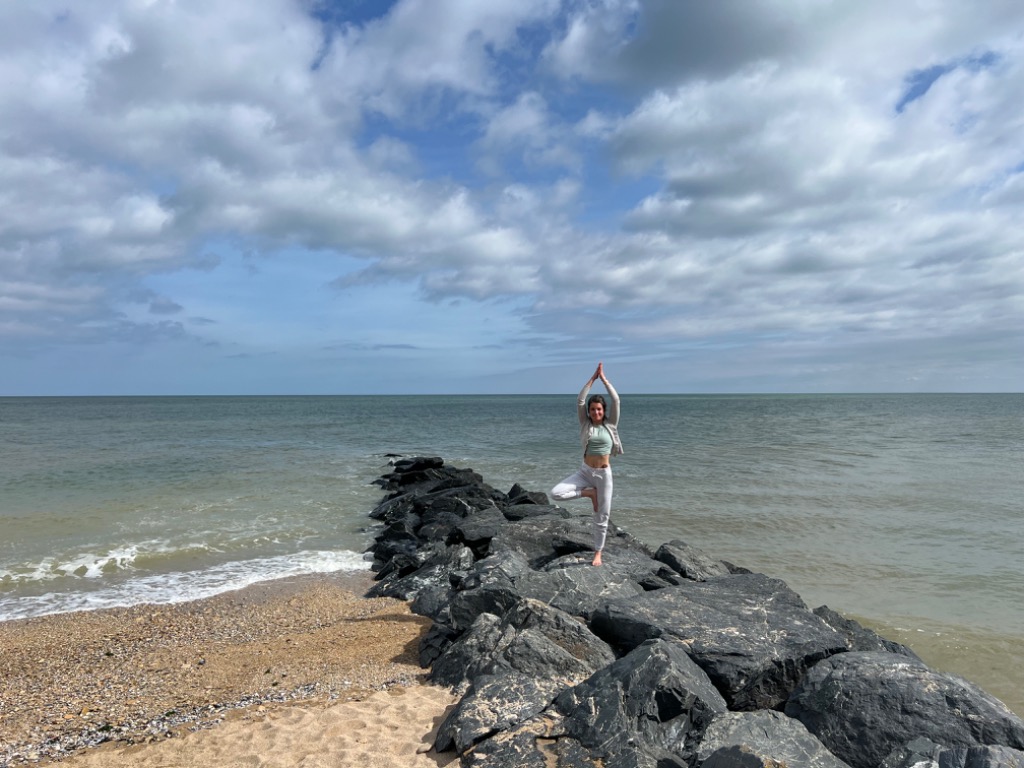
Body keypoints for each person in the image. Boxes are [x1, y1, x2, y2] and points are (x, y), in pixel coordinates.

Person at [550, 362, 624, 566]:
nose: (595, 412)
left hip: (604, 475)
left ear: (603, 410)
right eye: (592, 409)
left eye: (599, 409)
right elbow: (580, 400)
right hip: (584, 473)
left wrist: (605, 380)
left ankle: (598, 552)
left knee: (602, 515)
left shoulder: (611, 425)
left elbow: (616, 400)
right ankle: (589, 493)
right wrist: (592, 379)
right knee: (556, 493)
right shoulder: (585, 424)